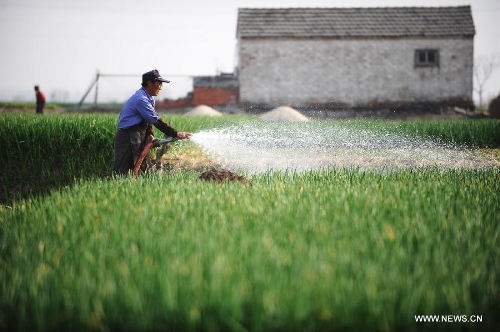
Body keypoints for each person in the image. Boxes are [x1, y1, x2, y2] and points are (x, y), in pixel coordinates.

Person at [113, 69, 192, 175]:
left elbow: (148, 119)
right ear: (149, 83)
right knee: (123, 171)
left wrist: (149, 134)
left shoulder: (149, 98)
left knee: (143, 169)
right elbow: (155, 120)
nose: (161, 87)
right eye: (159, 84)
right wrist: (175, 133)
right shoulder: (141, 99)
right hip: (128, 136)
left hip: (138, 134)